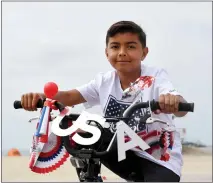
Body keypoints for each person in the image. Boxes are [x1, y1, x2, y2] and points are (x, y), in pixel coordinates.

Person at [20, 21, 188, 182]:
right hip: (123, 151)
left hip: (159, 157)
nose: (122, 52)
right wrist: (41, 97)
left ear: (144, 52)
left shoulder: (156, 77)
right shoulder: (104, 81)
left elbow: (181, 108)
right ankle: (90, 175)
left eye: (131, 46)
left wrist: (172, 100)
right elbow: (71, 96)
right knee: (83, 129)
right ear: (107, 53)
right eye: (115, 47)